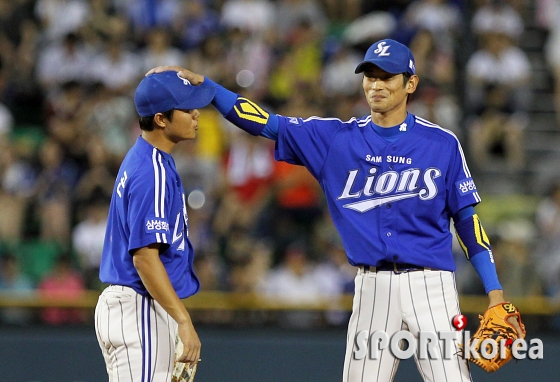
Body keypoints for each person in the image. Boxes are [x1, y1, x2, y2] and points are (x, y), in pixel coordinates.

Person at [148, 38, 524, 382]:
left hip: (431, 285)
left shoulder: (442, 144)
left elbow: (467, 220)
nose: (375, 84)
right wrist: (212, 91)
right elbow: (265, 123)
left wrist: (494, 291)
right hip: (372, 285)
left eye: (387, 76)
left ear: (410, 84)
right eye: (370, 76)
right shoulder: (335, 139)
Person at [94, 71, 215, 380]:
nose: (196, 114)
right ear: (161, 119)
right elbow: (145, 257)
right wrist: (183, 321)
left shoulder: (146, 157)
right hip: (139, 306)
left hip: (137, 305)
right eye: (187, 110)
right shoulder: (152, 170)